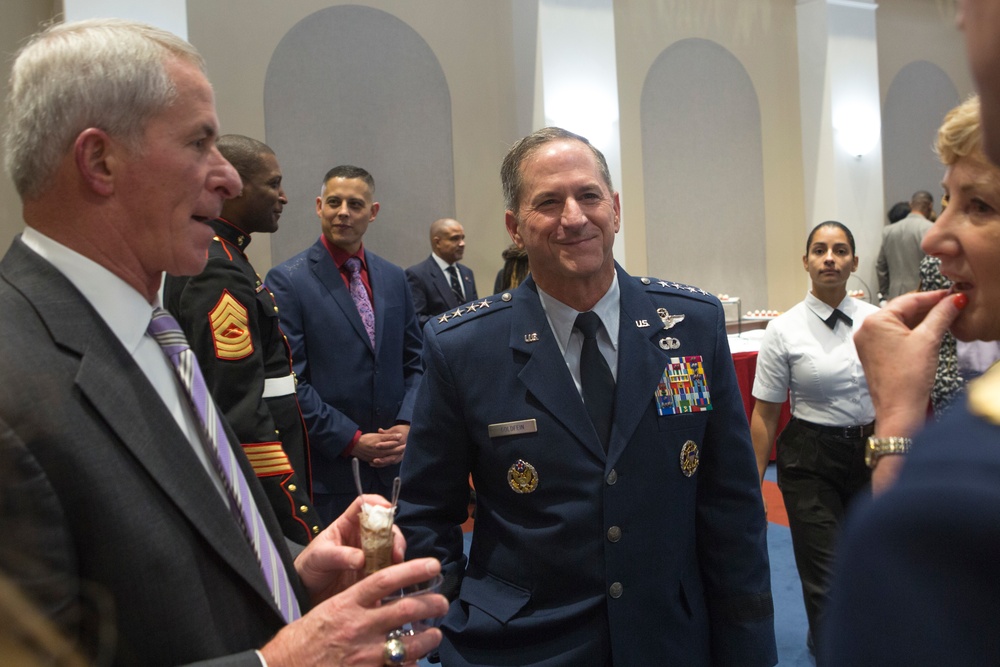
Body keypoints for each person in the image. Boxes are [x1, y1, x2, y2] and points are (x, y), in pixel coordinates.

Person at [0, 18, 446, 666]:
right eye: (199, 143)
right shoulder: (16, 378)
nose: (229, 180)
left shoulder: (151, 331)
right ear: (100, 160)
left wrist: (293, 573)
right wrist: (278, 663)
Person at [396, 127, 776, 665]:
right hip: (522, 645)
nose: (573, 218)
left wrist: (750, 646)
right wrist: (446, 630)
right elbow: (426, 512)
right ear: (515, 228)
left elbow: (732, 506)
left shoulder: (693, 326)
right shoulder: (463, 347)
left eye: (589, 196)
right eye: (548, 202)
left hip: (669, 638)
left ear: (615, 209)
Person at [822, 92, 1000, 664]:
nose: (932, 236)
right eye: (948, 200)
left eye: (981, 207)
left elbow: (899, 619)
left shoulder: (964, 473)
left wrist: (898, 420)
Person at [164, 134, 321, 545]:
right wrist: (297, 518)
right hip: (263, 485)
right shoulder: (220, 270)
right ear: (231, 186)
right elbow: (239, 410)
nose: (283, 196)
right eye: (272, 183)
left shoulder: (224, 256)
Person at [749, 221, 880, 657]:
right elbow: (765, 414)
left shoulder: (879, 321)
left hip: (872, 455)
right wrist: (752, 487)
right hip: (810, 460)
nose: (830, 258)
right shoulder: (783, 330)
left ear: (854, 262)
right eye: (820, 250)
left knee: (869, 568)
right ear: (805, 262)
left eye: (840, 251)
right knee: (824, 576)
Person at [266, 166, 423, 525]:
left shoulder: (394, 277)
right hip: (333, 469)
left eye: (355, 204)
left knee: (398, 570)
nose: (343, 212)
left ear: (373, 212)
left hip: (397, 465)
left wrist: (407, 422)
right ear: (319, 206)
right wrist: (351, 440)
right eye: (334, 202)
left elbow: (415, 362)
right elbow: (292, 381)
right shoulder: (288, 280)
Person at [405, 218, 478, 326]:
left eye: (462, 238)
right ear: (437, 242)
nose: (462, 244)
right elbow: (418, 318)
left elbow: (475, 309)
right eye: (455, 239)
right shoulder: (417, 275)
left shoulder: (467, 273)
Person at [875, 190, 934, 301]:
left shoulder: (889, 231)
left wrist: (884, 293)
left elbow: (881, 266)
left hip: (894, 295)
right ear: (930, 206)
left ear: (910, 204)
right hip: (921, 297)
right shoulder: (930, 229)